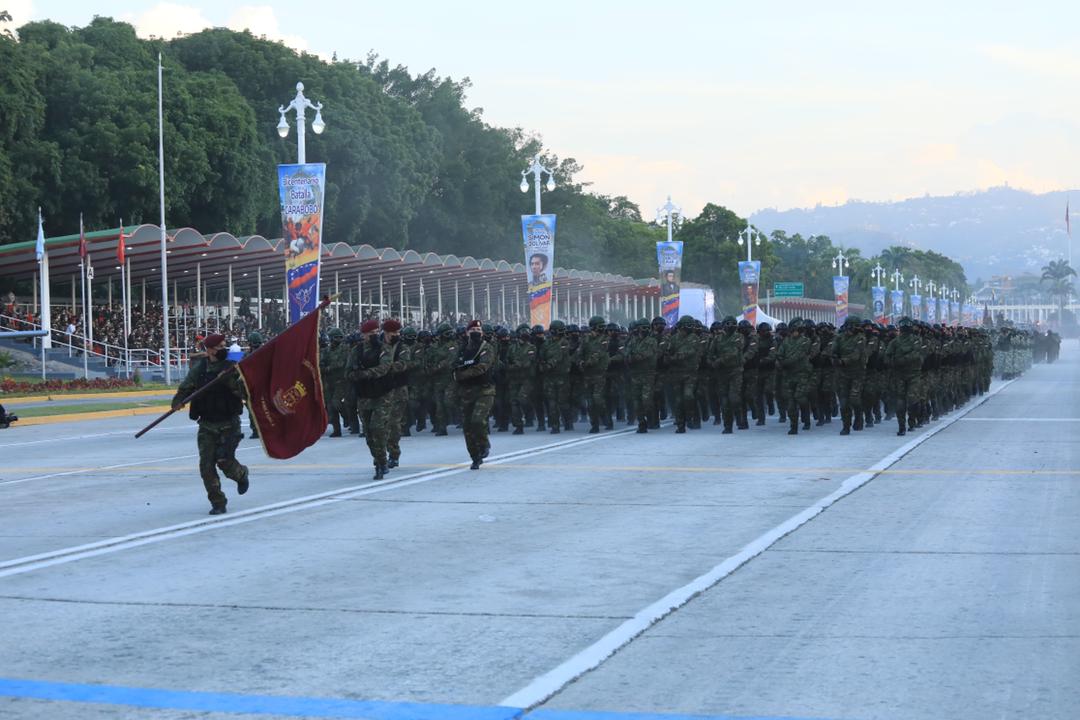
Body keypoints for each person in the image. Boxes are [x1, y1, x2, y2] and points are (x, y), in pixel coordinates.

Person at [171, 333, 250, 515]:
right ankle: (218, 502)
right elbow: (186, 387)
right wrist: (178, 401)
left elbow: (244, 393)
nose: (224, 349)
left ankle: (241, 474)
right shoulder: (200, 369)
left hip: (229, 424)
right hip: (207, 424)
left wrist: (229, 379)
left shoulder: (231, 367)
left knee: (224, 461)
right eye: (220, 346)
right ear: (210, 350)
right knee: (206, 466)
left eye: (225, 345)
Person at [454, 319, 496, 469]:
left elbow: (483, 367)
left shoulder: (487, 348)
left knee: (477, 420)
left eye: (478, 331)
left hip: (484, 390)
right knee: (467, 426)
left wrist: (463, 374)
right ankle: (475, 456)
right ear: (467, 333)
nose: (476, 334)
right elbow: (454, 367)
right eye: (473, 331)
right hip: (466, 392)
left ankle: (484, 445)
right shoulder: (461, 349)